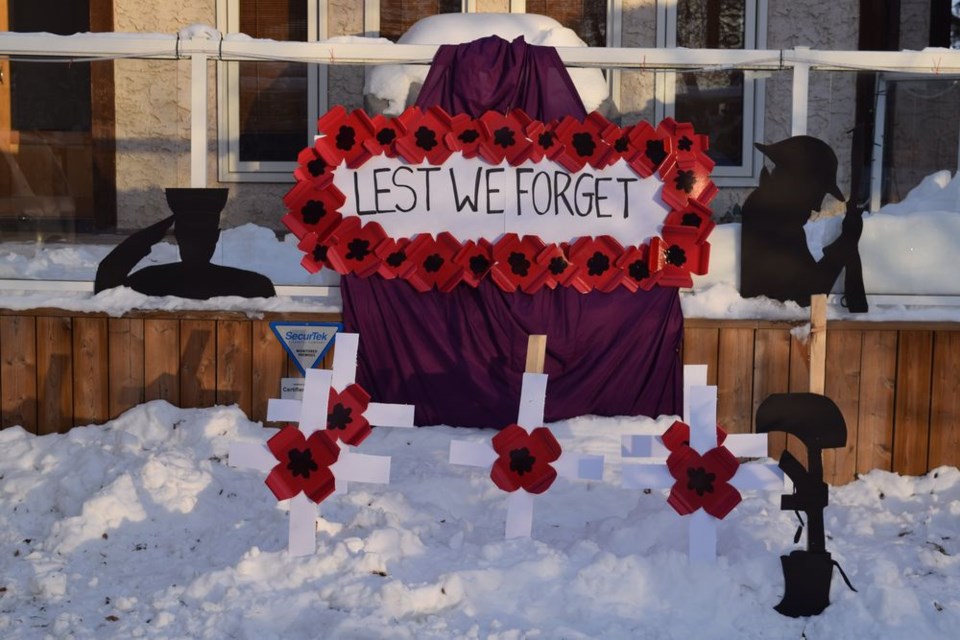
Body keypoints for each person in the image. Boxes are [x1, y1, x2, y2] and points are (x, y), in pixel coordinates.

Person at [739, 136, 863, 307]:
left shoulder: (770, 210)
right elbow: (806, 296)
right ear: (800, 185)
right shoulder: (773, 219)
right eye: (817, 193)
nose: (817, 207)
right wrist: (845, 243)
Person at [94, 188, 276, 299]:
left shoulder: (148, 281)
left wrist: (158, 230)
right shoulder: (253, 285)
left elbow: (108, 275)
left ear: (178, 238)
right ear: (216, 237)